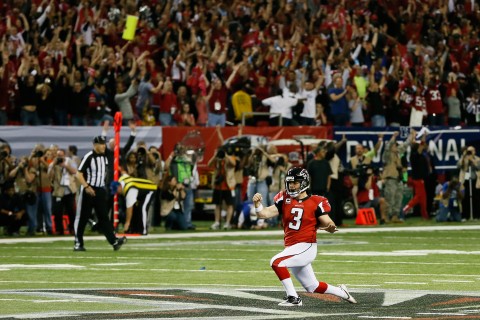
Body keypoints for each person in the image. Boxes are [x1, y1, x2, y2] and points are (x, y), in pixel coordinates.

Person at [252, 167, 357, 306]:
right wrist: (258, 205)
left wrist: (330, 227)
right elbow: (263, 214)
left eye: (295, 182)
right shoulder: (284, 198)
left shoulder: (315, 201)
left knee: (276, 262)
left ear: (304, 182)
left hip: (306, 246)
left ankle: (293, 298)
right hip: (292, 247)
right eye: (290, 182)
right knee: (312, 286)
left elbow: (327, 222)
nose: (292, 185)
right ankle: (342, 292)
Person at [74, 136, 126, 251]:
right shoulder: (89, 157)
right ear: (95, 145)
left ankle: (114, 241)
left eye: (104, 143)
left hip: (100, 190)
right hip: (88, 190)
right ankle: (78, 243)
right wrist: (86, 186)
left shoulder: (105, 156)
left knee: (104, 218)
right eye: (101, 144)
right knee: (82, 217)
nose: (103, 146)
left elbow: (117, 148)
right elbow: (78, 174)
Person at [48, 148, 78, 235]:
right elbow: (49, 176)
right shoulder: (53, 163)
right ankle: (59, 230)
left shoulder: (70, 161)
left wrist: (65, 165)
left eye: (61, 155)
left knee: (71, 211)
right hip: (58, 191)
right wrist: (53, 165)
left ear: (64, 155)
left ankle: (72, 228)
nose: (59, 157)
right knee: (57, 211)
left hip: (69, 190)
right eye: (58, 155)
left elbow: (75, 171)